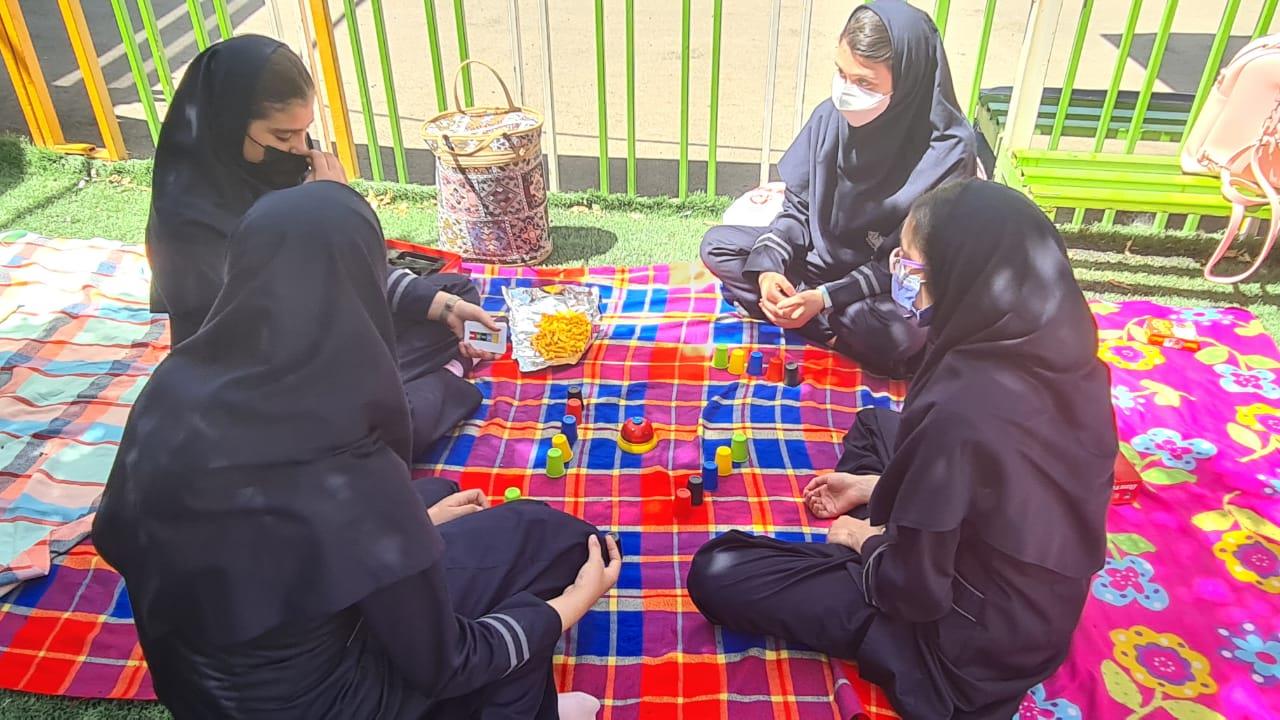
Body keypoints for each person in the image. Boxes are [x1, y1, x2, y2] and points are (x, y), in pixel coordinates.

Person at [93, 182, 621, 720]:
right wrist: (564, 609)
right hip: (331, 703)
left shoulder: (172, 385)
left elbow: (145, 535)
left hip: (202, 690)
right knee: (554, 541)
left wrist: (401, 529)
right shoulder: (345, 456)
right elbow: (449, 662)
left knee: (434, 496)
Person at [686, 180, 1117, 720]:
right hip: (1039, 601)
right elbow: (1009, 484)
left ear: (958, 275)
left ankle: (871, 543)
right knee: (875, 425)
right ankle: (888, 512)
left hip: (969, 640)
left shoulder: (960, 410)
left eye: (910, 264)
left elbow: (915, 592)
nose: (902, 276)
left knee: (718, 570)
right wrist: (878, 486)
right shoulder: (1066, 348)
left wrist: (864, 540)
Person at [145, 35, 489, 454]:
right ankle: (430, 386)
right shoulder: (189, 216)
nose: (299, 149)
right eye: (283, 135)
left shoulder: (271, 167)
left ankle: (404, 389)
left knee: (454, 294)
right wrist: (322, 210)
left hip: (320, 335)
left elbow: (351, 272)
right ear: (227, 124)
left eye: (304, 132)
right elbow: (279, 320)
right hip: (258, 374)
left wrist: (443, 307)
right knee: (356, 432)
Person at [700, 0, 976, 377]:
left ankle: (813, 322)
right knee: (718, 245)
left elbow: (912, 262)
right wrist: (769, 273)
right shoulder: (831, 118)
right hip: (816, 264)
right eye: (841, 73)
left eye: (865, 83)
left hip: (884, 283)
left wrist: (823, 298)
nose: (846, 92)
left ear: (908, 82)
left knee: (904, 330)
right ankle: (825, 328)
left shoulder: (948, 154)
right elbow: (798, 209)